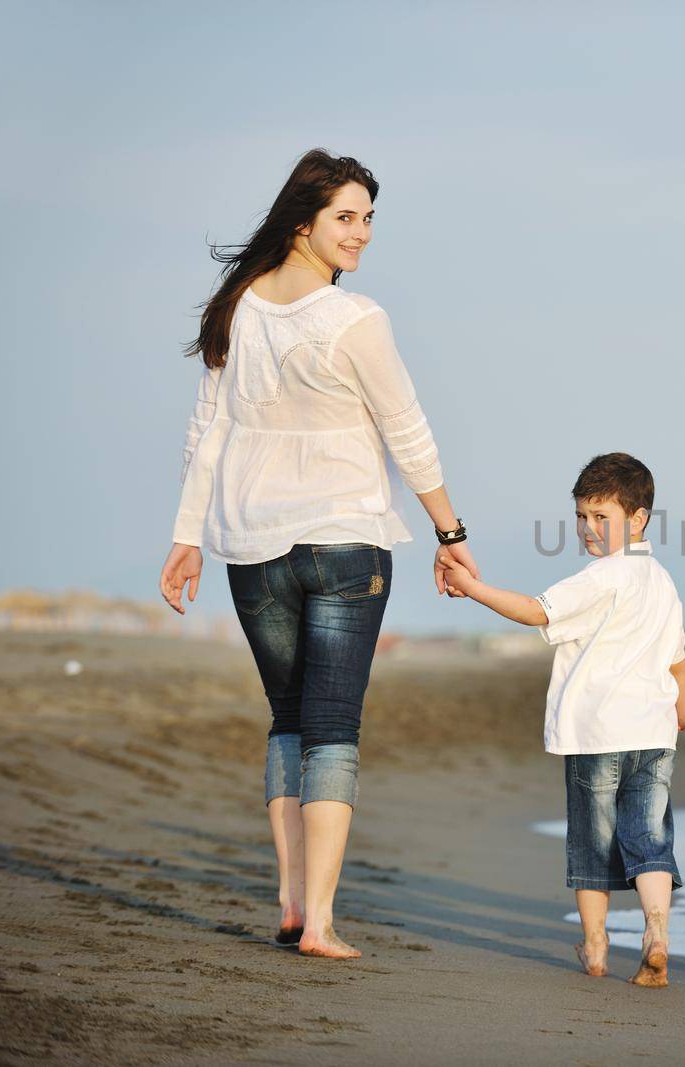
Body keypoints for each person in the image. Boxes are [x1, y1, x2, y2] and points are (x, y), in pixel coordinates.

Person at [157, 149, 479, 959]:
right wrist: (450, 534)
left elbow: (209, 431)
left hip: (251, 545)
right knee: (331, 726)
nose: (361, 233)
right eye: (345, 216)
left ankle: (294, 899)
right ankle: (322, 920)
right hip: (344, 540)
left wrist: (188, 536)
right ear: (302, 220)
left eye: (369, 218)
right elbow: (407, 428)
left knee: (290, 719)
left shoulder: (238, 307)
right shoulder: (354, 319)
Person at [439, 452, 685, 987]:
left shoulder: (600, 577)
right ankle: (656, 932)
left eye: (603, 517)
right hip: (652, 732)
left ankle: (597, 946)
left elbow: (538, 611)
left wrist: (473, 588)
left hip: (596, 732)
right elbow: (676, 656)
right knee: (648, 836)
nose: (589, 529)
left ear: (639, 518)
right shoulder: (662, 581)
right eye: (582, 516)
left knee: (592, 839)